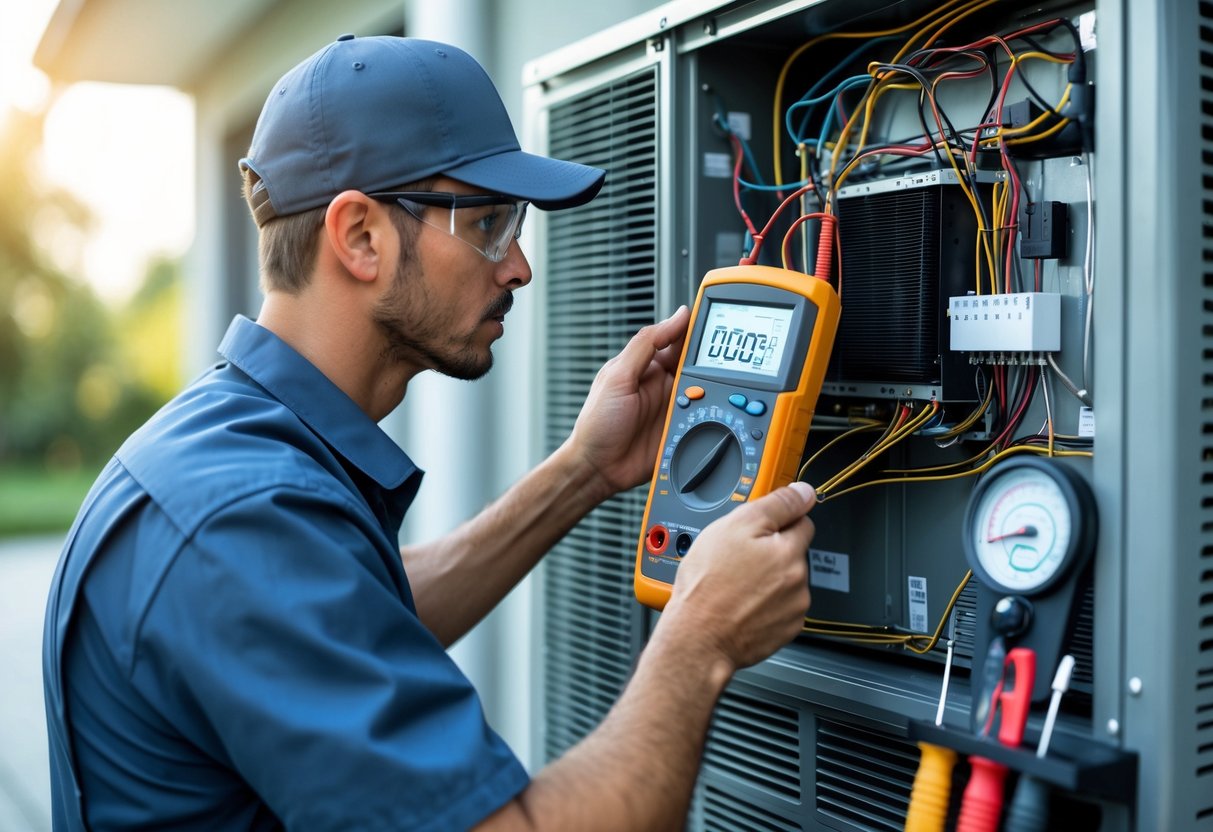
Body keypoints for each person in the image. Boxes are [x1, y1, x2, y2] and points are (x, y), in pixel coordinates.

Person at [43, 34, 818, 831]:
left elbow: (360, 616)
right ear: (360, 237)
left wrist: (584, 470)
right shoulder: (238, 521)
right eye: (487, 223)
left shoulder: (228, 453)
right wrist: (700, 639)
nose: (517, 265)